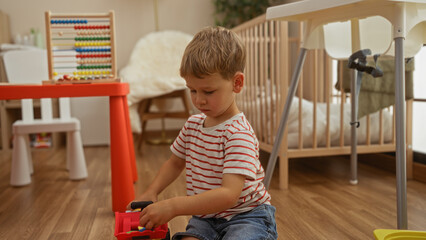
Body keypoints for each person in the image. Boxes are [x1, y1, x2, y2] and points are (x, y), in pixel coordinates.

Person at [128, 26, 278, 240]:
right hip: (206, 218)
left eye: (208, 91)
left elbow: (228, 195)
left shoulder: (238, 133)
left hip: (247, 216)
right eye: (193, 90)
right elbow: (175, 163)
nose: (199, 100)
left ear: (237, 83)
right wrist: (152, 191)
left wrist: (174, 206)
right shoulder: (192, 125)